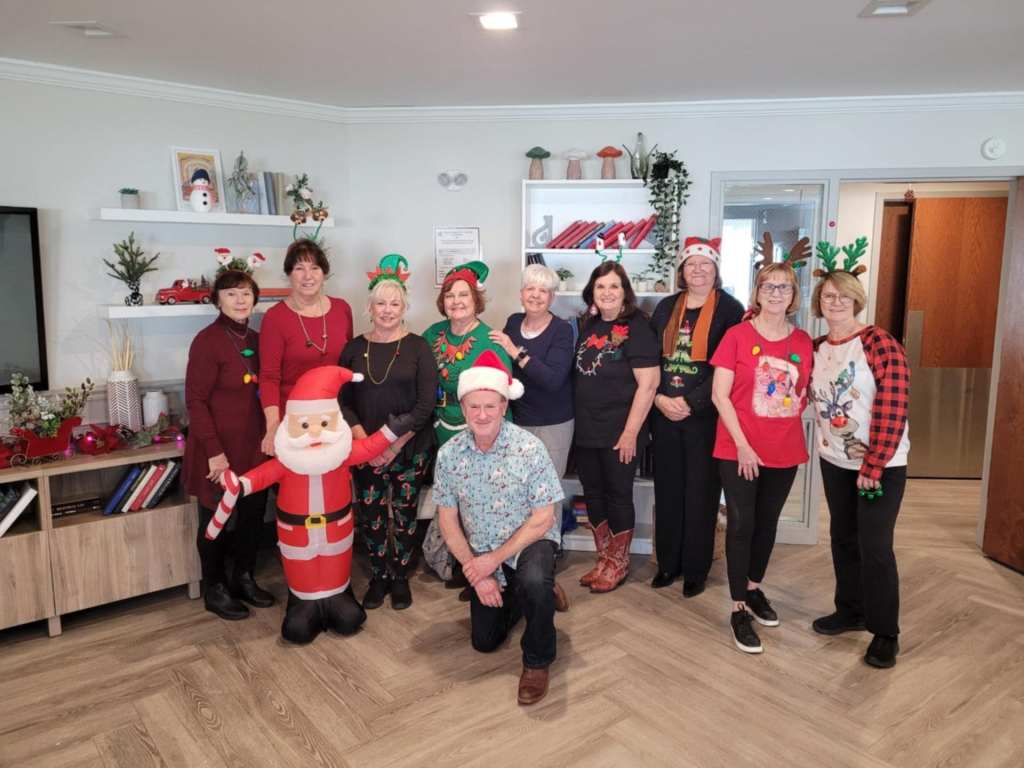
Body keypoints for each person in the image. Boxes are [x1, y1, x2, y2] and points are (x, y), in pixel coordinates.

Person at [209, 366, 414, 645]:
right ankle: (304, 602)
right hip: (297, 535)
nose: (315, 432)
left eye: (323, 423)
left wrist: (392, 430)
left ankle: (337, 596)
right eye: (305, 425)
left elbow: (368, 448)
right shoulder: (286, 460)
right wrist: (241, 484)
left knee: (347, 613)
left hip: (337, 530)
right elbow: (262, 475)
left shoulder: (341, 453)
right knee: (298, 622)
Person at [434, 351, 569, 706]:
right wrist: (478, 573)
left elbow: (544, 518)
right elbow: (448, 520)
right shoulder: (448, 455)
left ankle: (538, 660)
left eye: (490, 406)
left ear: (504, 404)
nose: (482, 415)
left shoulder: (529, 448)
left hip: (530, 539)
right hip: (481, 548)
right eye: (474, 406)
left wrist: (493, 561)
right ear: (462, 408)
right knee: (485, 642)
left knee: (534, 577)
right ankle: (532, 596)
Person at [808, 249, 910, 669]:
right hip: (834, 461)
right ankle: (850, 609)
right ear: (819, 302)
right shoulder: (817, 347)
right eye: (828, 296)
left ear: (856, 300)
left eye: (842, 297)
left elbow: (894, 404)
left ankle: (885, 632)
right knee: (843, 539)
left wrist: (874, 465)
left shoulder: (878, 342)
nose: (834, 303)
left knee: (876, 547)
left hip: (880, 467)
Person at [711, 258, 813, 655]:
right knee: (741, 522)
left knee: (767, 524)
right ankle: (738, 608)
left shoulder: (803, 341)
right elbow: (720, 395)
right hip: (739, 447)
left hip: (784, 447)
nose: (775, 293)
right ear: (757, 292)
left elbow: (804, 392)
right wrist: (743, 444)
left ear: (793, 296)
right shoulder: (737, 336)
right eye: (768, 286)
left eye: (783, 287)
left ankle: (753, 588)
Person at [340, 255, 437, 611]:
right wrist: (366, 442)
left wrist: (394, 444)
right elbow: (342, 399)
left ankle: (400, 577)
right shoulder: (353, 348)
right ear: (369, 307)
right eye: (380, 303)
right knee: (372, 515)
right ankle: (379, 576)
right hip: (364, 449)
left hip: (409, 449)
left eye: (394, 303)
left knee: (406, 515)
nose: (387, 310)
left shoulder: (418, 347)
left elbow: (427, 405)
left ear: (404, 306)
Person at [650, 237, 744, 597]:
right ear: (682, 270)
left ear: (716, 270)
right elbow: (649, 358)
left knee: (702, 494)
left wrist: (692, 401)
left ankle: (695, 569)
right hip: (663, 413)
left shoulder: (731, 309)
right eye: (691, 264)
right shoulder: (665, 307)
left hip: (705, 417)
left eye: (705, 265)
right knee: (669, 491)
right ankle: (667, 564)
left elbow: (728, 365)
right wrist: (659, 398)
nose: (698, 270)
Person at [183, 269, 274, 620]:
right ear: (217, 299)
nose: (240, 300)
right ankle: (215, 588)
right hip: (217, 452)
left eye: (246, 293)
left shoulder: (256, 337)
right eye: (232, 293)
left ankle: (244, 577)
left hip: (254, 448)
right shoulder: (207, 341)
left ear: (254, 299)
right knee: (215, 521)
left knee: (253, 516)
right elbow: (196, 401)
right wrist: (215, 453)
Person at [572, 262, 659, 593]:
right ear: (592, 292)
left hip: (620, 430)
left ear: (625, 292)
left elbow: (648, 385)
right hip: (586, 429)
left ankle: (618, 563)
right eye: (600, 287)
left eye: (614, 286)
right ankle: (603, 558)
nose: (607, 292)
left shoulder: (638, 327)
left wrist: (630, 433)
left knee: (618, 494)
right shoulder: (589, 324)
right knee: (592, 493)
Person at [258, 239, 354, 456]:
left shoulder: (342, 309)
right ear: (289, 274)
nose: (307, 276)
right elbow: (269, 377)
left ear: (324, 273)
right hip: (294, 421)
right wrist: (272, 426)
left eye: (314, 268)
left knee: (334, 485)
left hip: (335, 417)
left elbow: (349, 364)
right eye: (299, 268)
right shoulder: (275, 317)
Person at [489, 264, 574, 476]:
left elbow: (553, 380)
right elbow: (500, 362)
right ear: (521, 294)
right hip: (517, 420)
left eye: (543, 290)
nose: (535, 295)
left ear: (552, 297)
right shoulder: (513, 321)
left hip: (552, 423)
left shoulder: (562, 329)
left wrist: (514, 351)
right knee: (518, 488)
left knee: (547, 491)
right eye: (530, 289)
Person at [423, 260, 512, 448]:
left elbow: (501, 400)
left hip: (479, 432)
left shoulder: (491, 341)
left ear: (475, 299)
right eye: (449, 296)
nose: (456, 301)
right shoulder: (432, 334)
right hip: (437, 429)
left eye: (464, 294)